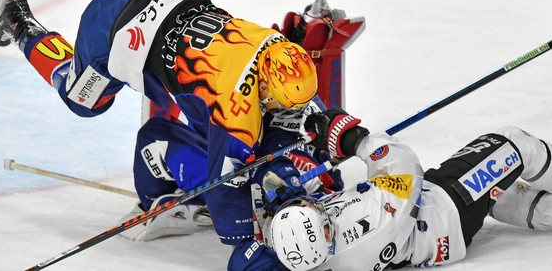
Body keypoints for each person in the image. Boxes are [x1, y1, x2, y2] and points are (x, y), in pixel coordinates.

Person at [0, 0, 318, 252]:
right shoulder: (237, 111)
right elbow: (224, 201)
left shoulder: (272, 43)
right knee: (82, 99)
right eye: (279, 100)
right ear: (262, 86)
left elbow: (291, 96)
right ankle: (19, 24)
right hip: (112, 35)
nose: (283, 107)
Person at [229, 108, 552, 270]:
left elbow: (245, 264)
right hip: (448, 205)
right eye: (318, 212)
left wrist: (283, 203)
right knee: (515, 144)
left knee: (502, 196)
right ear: (328, 235)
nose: (316, 205)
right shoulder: (367, 226)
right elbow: (404, 169)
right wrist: (355, 140)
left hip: (430, 232)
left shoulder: (303, 257)